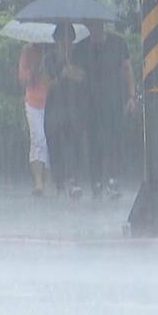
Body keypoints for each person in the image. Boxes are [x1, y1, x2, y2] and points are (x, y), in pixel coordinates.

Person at [74, 19, 137, 199]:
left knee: (114, 140)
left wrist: (131, 96)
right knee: (94, 143)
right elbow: (77, 74)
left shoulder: (118, 44)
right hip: (90, 103)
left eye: (97, 25)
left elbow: (127, 69)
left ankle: (112, 179)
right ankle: (96, 181)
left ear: (102, 25)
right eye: (91, 26)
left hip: (114, 101)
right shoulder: (82, 47)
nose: (94, 29)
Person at [45, 23, 89, 198]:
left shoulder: (79, 56)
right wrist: (61, 75)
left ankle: (73, 180)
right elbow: (46, 83)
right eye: (62, 40)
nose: (65, 44)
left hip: (75, 107)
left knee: (74, 144)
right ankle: (59, 181)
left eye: (68, 40)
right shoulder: (48, 58)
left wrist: (73, 72)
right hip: (54, 108)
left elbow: (84, 77)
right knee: (55, 145)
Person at [17, 41, 54, 196]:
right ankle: (38, 181)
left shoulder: (54, 50)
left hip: (52, 101)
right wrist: (34, 68)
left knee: (51, 139)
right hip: (33, 102)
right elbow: (22, 79)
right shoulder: (27, 50)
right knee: (38, 139)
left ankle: (50, 179)